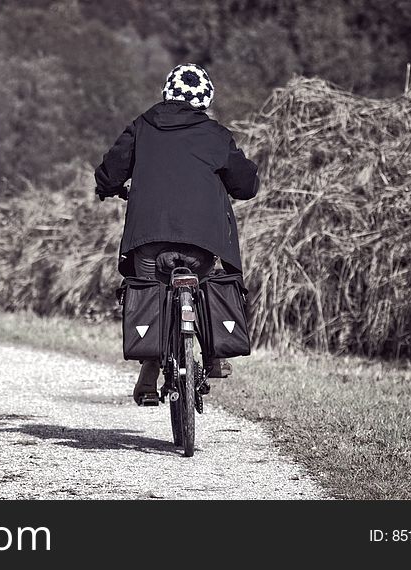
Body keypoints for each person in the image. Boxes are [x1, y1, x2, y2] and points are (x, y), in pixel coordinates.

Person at [94, 63, 260, 406]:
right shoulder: (215, 135)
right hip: (202, 242)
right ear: (205, 100)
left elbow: (110, 171)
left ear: (166, 93)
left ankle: (149, 371)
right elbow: (247, 185)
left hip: (148, 241)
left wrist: (108, 187)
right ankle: (215, 354)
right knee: (204, 283)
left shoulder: (143, 126)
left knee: (152, 295)